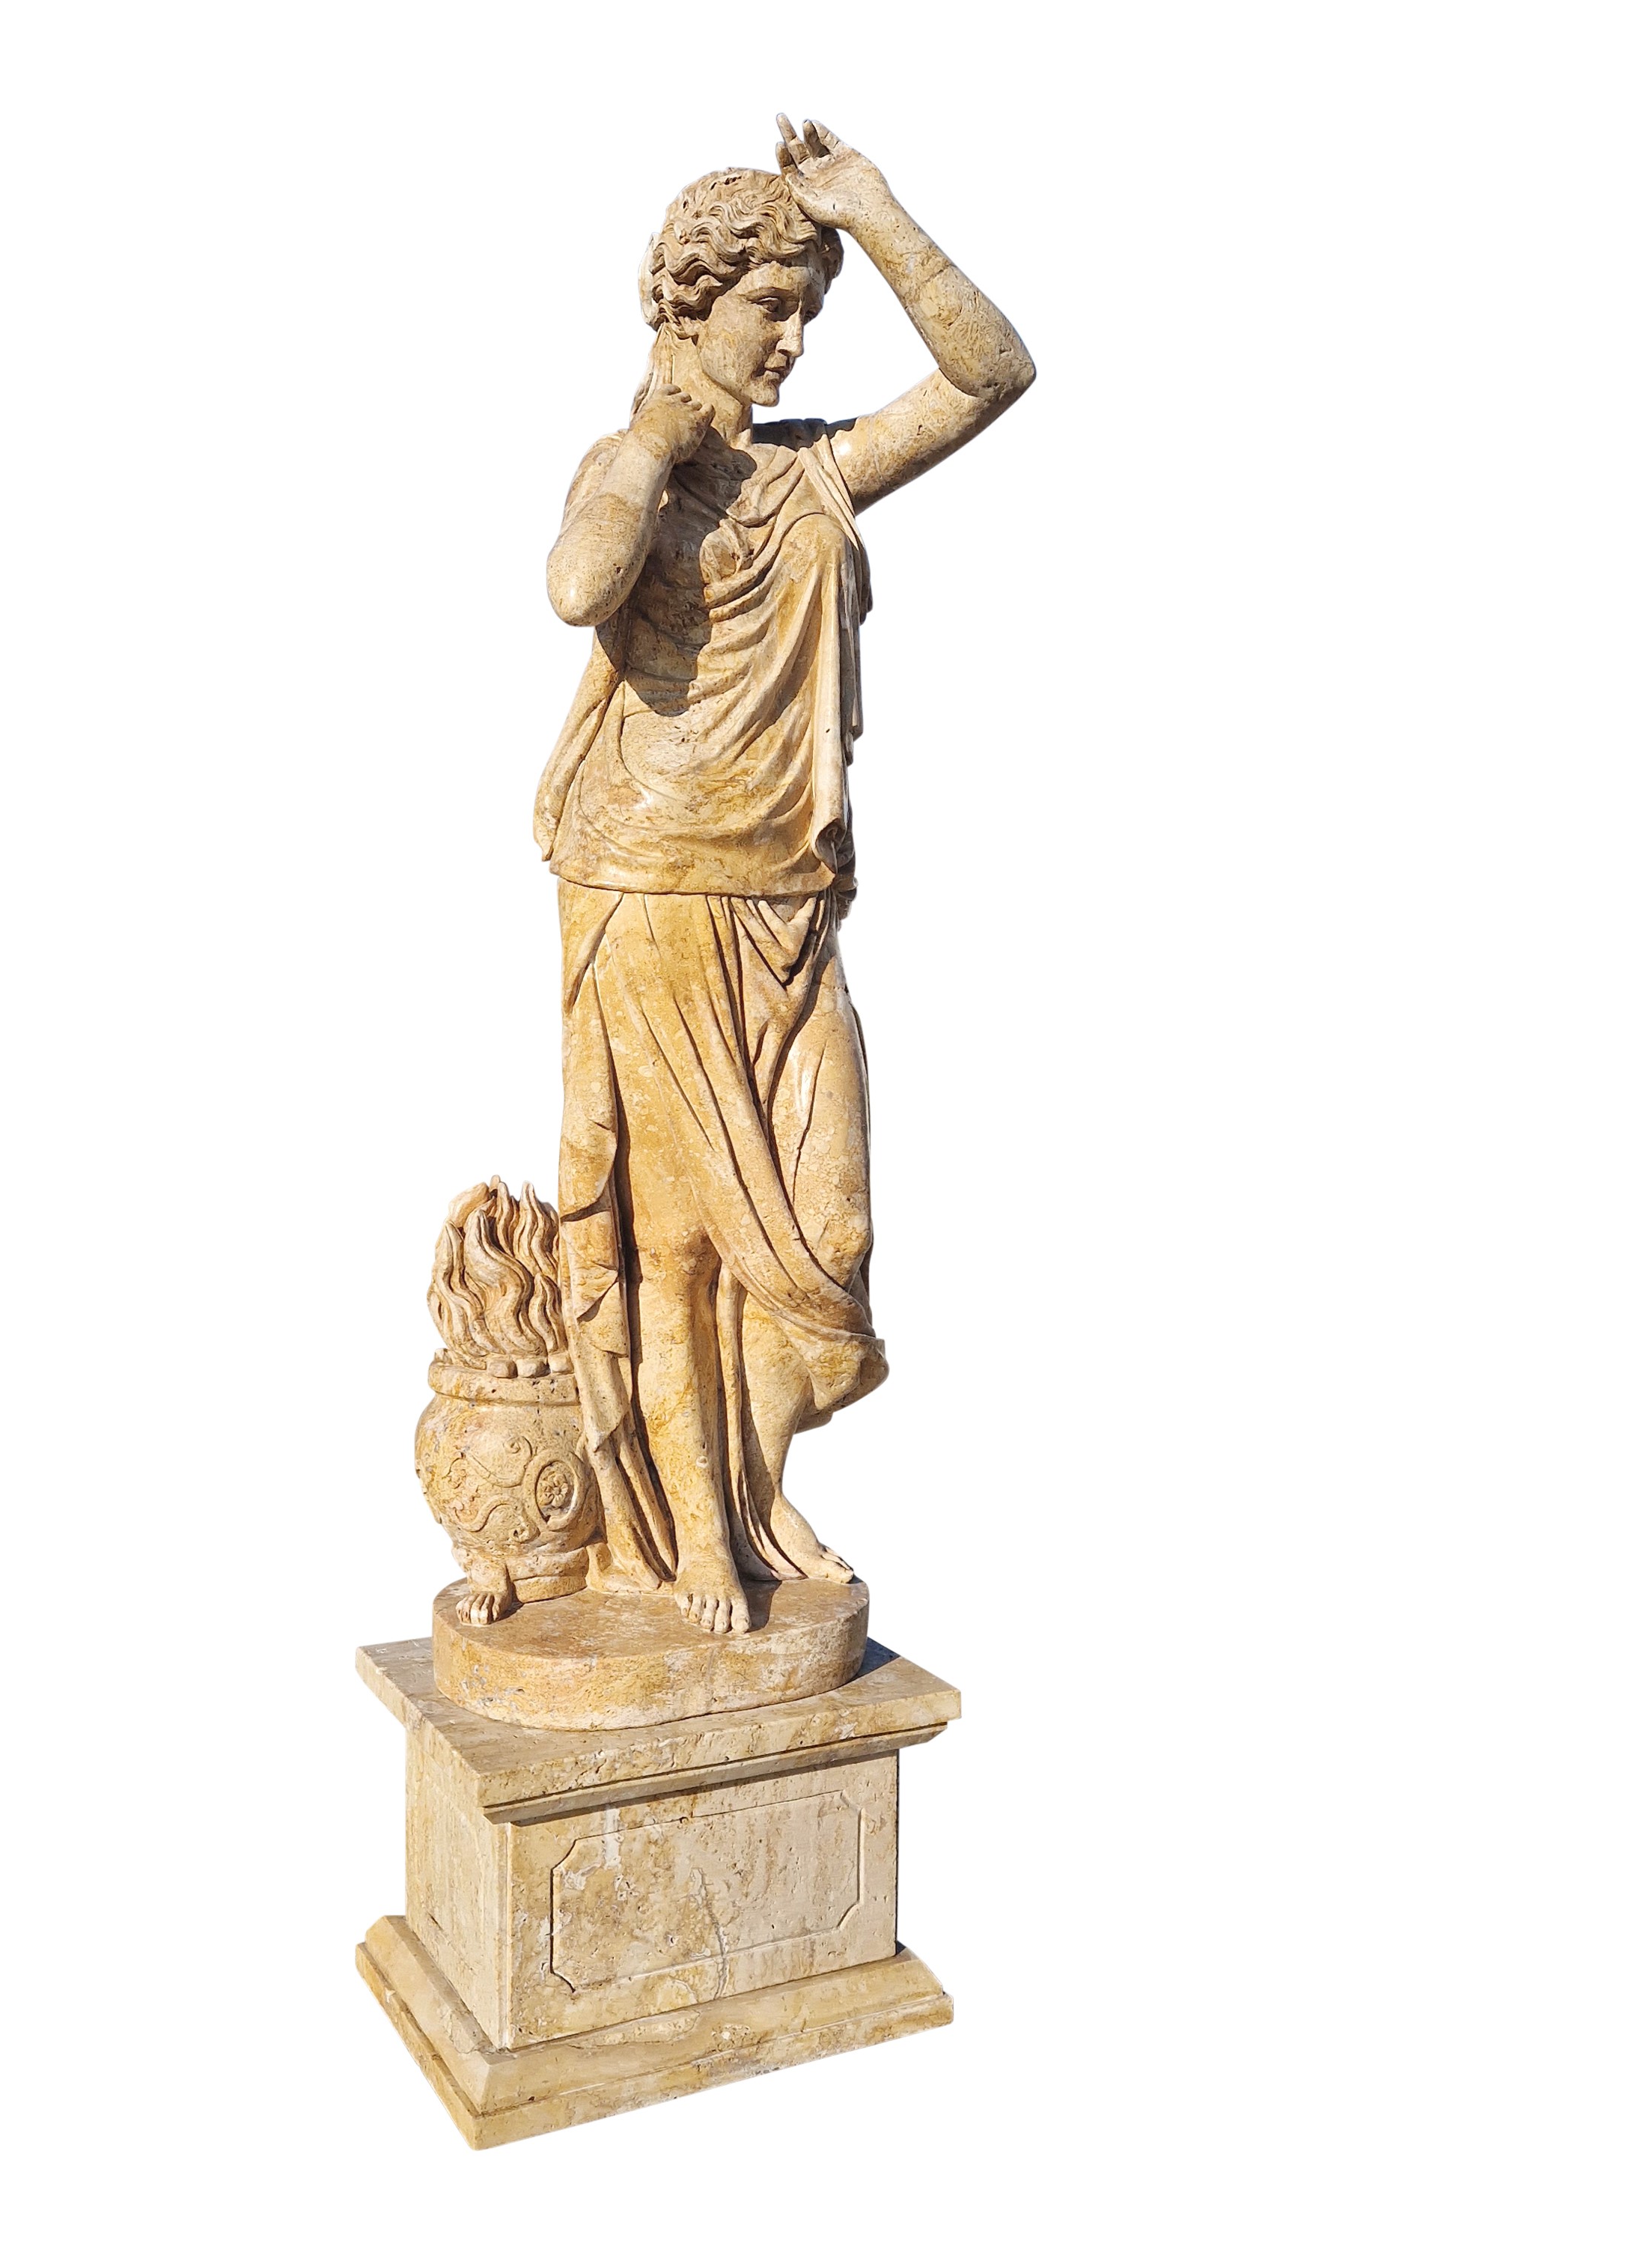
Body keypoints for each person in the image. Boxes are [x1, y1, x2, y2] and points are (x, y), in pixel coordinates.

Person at [536, 118, 1035, 1635]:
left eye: (809, 309)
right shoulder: (628, 470)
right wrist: (652, 442)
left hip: (790, 901)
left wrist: (869, 208)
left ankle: (748, 1495)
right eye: (771, 305)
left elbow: (990, 373)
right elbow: (577, 584)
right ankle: (699, 1538)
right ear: (690, 302)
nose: (795, 339)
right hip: (652, 892)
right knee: (681, 1250)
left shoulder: (815, 474)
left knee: (828, 1237)